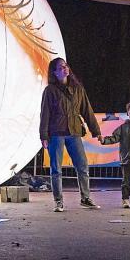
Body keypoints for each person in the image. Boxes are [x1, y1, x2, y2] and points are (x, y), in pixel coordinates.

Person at [39, 57, 102, 212]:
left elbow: (87, 110)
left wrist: (96, 131)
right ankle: (58, 201)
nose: (64, 69)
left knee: (82, 165)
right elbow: (45, 113)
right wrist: (44, 136)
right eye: (60, 67)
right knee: (56, 169)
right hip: (56, 133)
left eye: (65, 66)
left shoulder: (77, 89)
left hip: (74, 132)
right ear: (54, 72)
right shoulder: (50, 91)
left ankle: (85, 198)